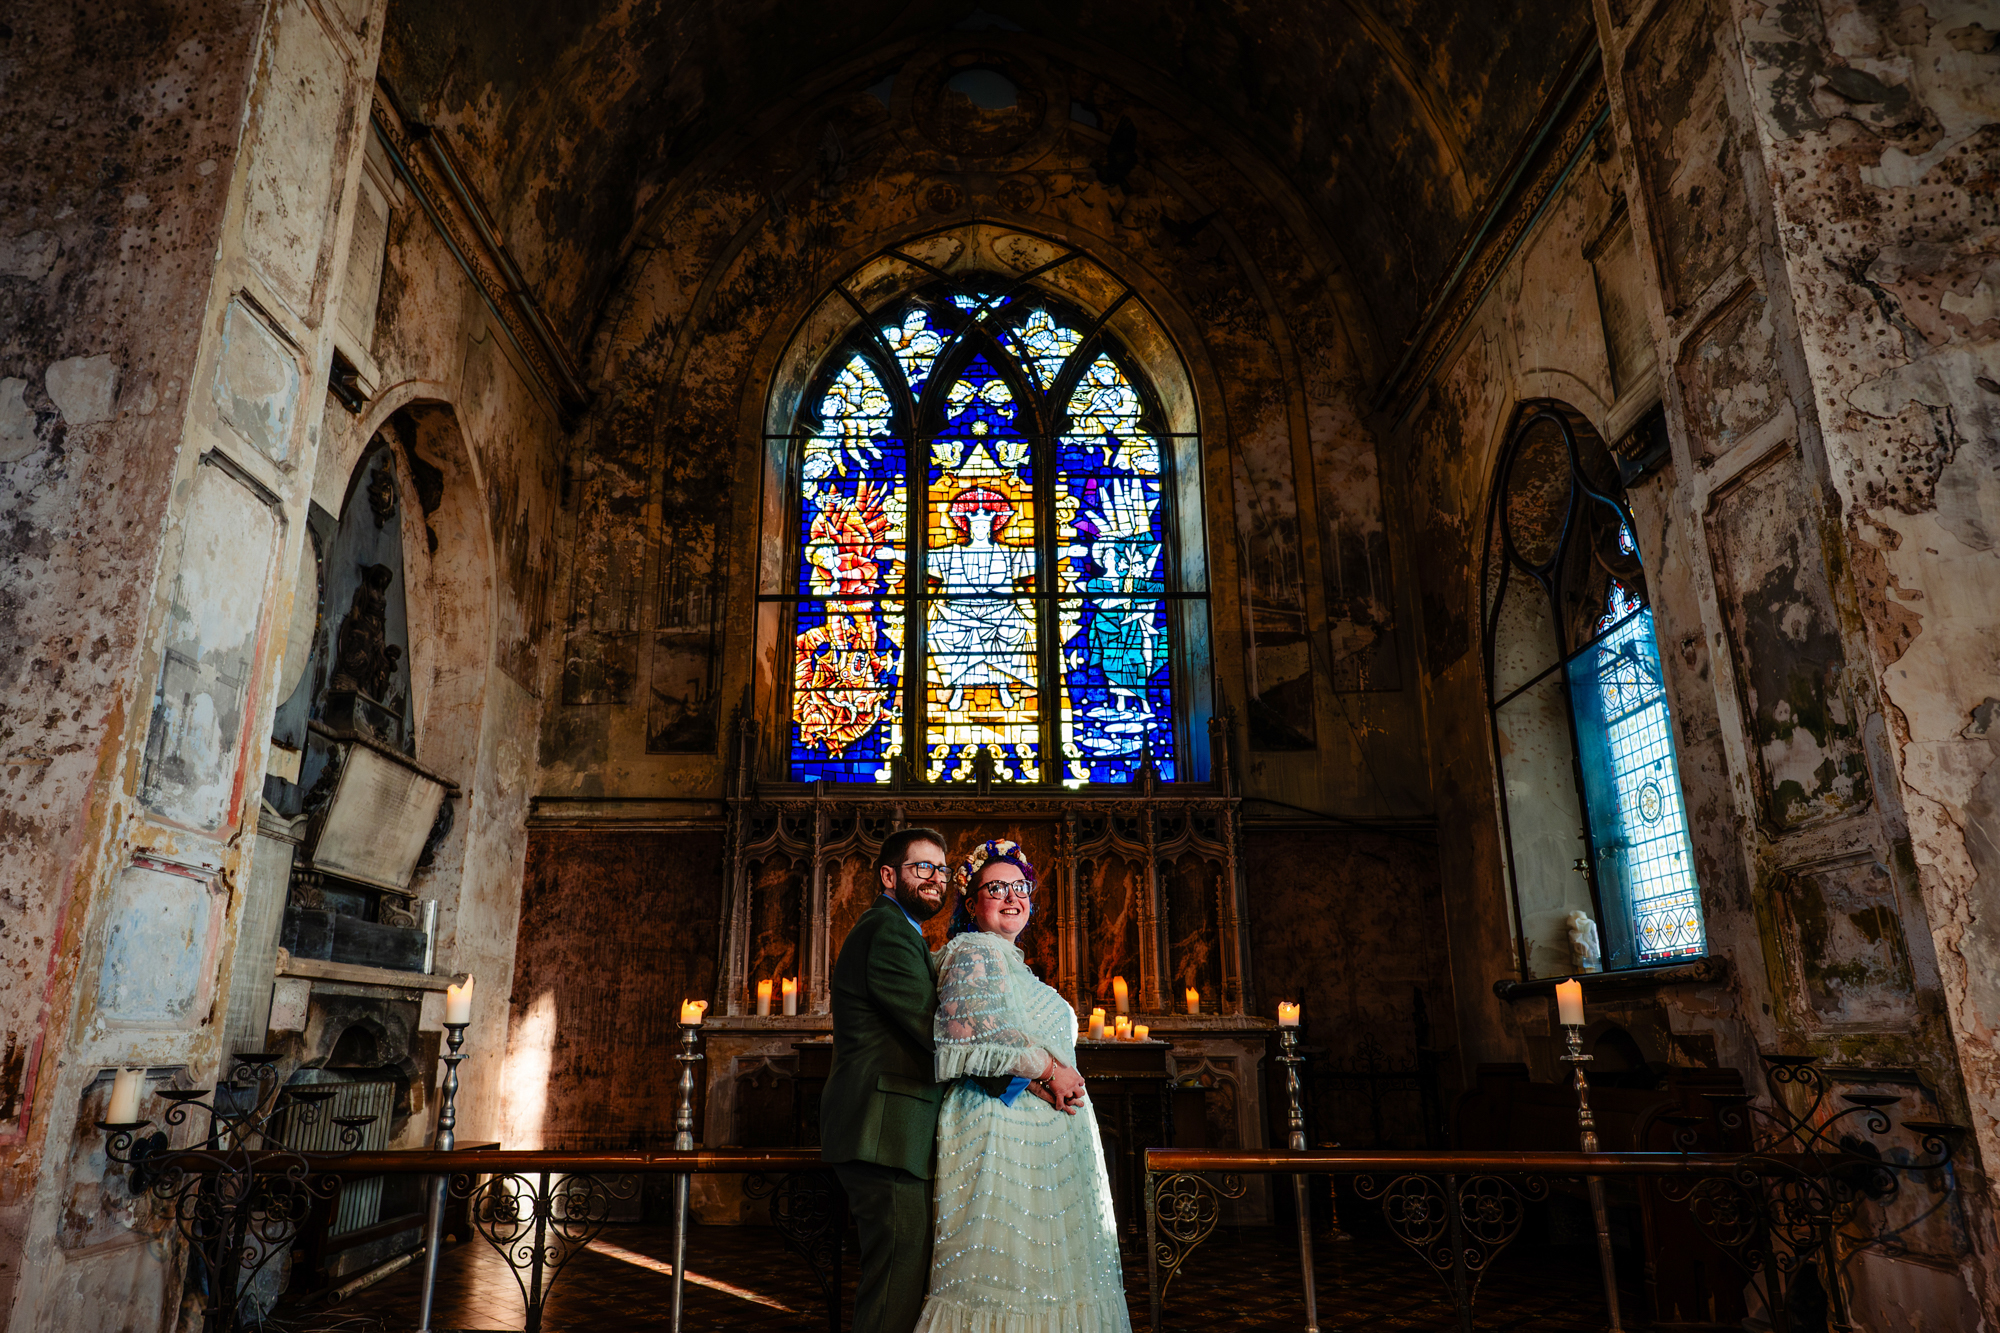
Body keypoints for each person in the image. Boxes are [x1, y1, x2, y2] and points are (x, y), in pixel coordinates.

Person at [821, 829, 1037, 1333]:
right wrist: (1037, 1077)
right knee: (894, 1284)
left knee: (902, 1275)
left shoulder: (903, 932)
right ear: (889, 876)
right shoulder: (888, 932)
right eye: (922, 868)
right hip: (884, 1132)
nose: (935, 879)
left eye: (941, 870)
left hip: (894, 1132)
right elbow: (939, 1032)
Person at [914, 838, 1129, 1333]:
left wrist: (1045, 1080)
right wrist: (1052, 1074)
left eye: (1020, 886)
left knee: (1054, 1275)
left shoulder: (1016, 964)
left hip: (1049, 1141)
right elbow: (974, 1032)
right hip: (1000, 1136)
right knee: (1000, 1271)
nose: (1013, 896)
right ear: (971, 903)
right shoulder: (971, 949)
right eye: (996, 888)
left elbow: (1008, 1040)